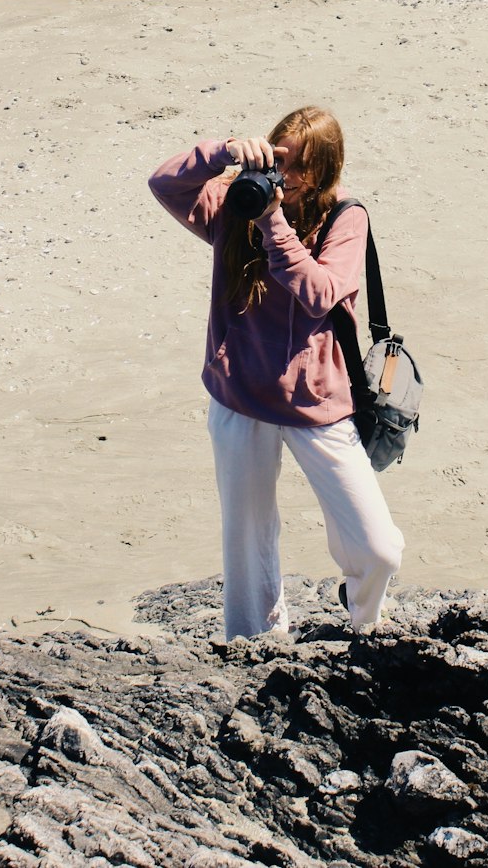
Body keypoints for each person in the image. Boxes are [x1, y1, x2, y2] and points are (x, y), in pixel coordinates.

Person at [148, 105, 404, 640]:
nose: (285, 177)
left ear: (327, 171)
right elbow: (163, 183)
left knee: (378, 545)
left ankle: (363, 624)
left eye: (300, 167)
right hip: (240, 395)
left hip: (316, 404)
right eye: (280, 160)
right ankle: (256, 644)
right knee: (247, 539)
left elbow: (318, 295)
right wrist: (223, 154)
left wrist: (272, 222)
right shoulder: (234, 203)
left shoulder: (344, 218)